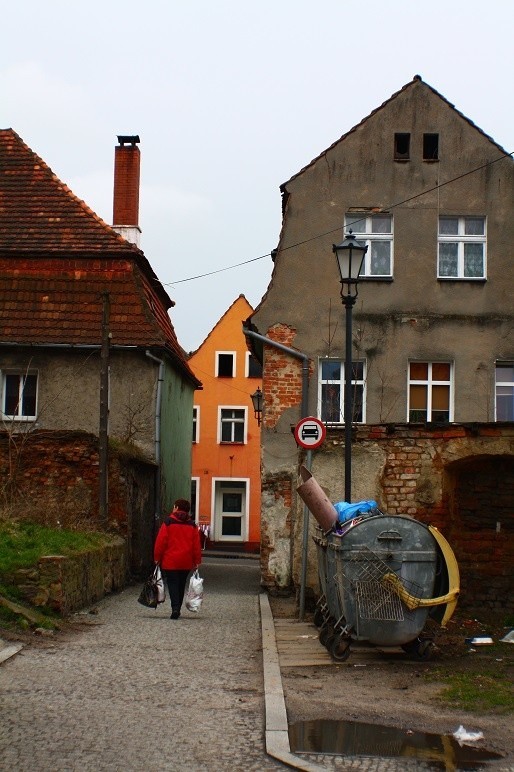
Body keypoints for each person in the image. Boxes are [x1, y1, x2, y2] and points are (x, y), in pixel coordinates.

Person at [153, 498, 202, 619]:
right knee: (181, 584)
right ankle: (177, 607)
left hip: (170, 561)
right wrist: (197, 561)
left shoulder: (168, 522)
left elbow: (161, 542)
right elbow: (196, 545)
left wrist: (157, 557)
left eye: (174, 506)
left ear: (176, 508)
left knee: (173, 584)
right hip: (185, 561)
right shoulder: (192, 525)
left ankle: (175, 608)